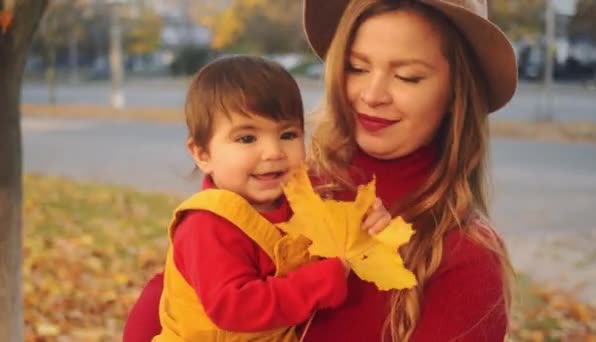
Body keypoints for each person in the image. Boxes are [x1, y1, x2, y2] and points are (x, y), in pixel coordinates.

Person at [124, 0, 518, 340]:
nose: (372, 95)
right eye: (356, 67)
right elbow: (178, 293)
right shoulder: (286, 185)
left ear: (455, 92)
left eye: (407, 76)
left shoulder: (467, 257)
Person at [144, 55, 391, 341]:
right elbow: (235, 307)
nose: (274, 152)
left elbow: (337, 240)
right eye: (247, 139)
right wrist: (323, 281)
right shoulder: (207, 225)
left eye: (288, 134)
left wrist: (366, 224)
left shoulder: (301, 201)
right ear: (203, 154)